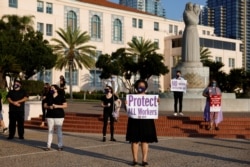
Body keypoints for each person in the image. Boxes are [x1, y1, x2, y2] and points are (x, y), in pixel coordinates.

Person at [126, 80, 158, 166]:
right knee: (134, 140)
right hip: (134, 121)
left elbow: (153, 108)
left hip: (146, 121)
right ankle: (135, 159)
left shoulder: (150, 98)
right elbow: (127, 110)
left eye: (143, 86)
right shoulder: (132, 98)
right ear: (136, 87)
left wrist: (156, 103)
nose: (141, 87)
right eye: (139, 85)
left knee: (145, 140)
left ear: (145, 87)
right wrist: (126, 105)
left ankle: (144, 159)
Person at [44, 84, 67, 151]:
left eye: (53, 88)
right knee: (50, 130)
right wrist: (49, 107)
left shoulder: (61, 96)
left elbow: (65, 105)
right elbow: (44, 105)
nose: (51, 89)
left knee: (59, 131)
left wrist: (57, 106)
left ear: (56, 89)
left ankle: (60, 145)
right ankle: (48, 146)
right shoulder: (48, 96)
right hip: (50, 116)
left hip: (59, 116)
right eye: (51, 88)